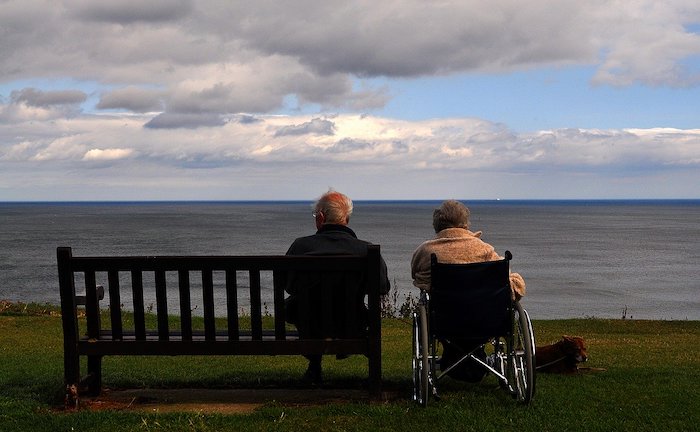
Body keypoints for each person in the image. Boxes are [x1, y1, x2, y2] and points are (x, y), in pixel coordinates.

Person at [410, 200, 526, 382]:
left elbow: (416, 275)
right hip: (486, 320)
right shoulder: (484, 249)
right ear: (465, 224)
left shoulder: (426, 251)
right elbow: (509, 284)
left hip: (444, 321)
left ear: (437, 225)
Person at [285, 190, 390, 384]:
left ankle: (314, 367)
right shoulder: (365, 249)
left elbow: (288, 286)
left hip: (310, 324)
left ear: (321, 217)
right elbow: (382, 287)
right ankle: (374, 380)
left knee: (298, 307)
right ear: (346, 219)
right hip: (351, 324)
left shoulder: (301, 246)